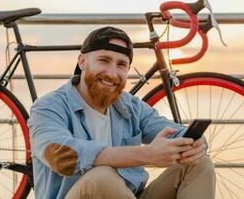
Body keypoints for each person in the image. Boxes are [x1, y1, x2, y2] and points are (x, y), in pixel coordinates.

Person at [28, 26, 216, 199]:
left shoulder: (130, 105)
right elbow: (61, 155)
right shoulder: (48, 107)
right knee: (101, 177)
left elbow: (173, 131)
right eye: (104, 60)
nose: (112, 73)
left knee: (200, 164)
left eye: (121, 65)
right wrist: (147, 155)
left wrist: (194, 144)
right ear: (82, 61)